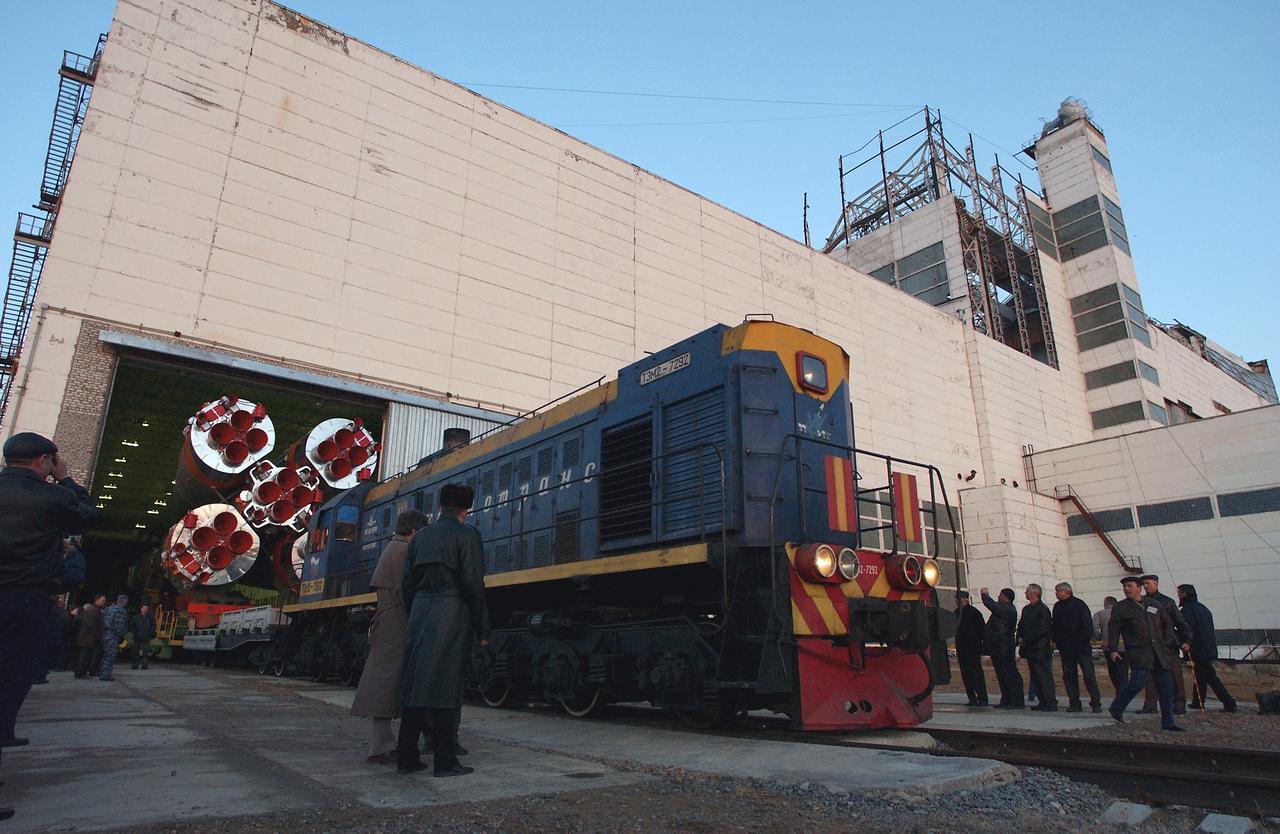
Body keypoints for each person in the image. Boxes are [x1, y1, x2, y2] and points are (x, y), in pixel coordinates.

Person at [0, 431, 98, 821]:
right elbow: (89, 516)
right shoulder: (53, 496)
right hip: (27, 600)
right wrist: (68, 480)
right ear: (44, 462)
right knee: (9, 684)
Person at [397, 484, 489, 777]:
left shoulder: (420, 537)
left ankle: (407, 757)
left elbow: (406, 586)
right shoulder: (468, 535)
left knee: (415, 687)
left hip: (421, 613)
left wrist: (418, 612)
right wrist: (482, 628)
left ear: (440, 508)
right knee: (447, 688)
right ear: (466, 511)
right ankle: (445, 760)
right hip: (452, 612)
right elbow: (474, 584)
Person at [351, 509, 428, 763]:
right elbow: (407, 591)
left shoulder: (391, 548)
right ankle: (382, 746)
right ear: (415, 532)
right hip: (397, 622)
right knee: (387, 681)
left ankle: (386, 743)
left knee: (386, 680)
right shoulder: (404, 551)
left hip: (390, 619)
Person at [1107, 575, 1182, 731]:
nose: (1126, 589)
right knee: (1138, 682)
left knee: (1166, 687)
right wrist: (1113, 649)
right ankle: (1117, 707)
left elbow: (1168, 623)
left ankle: (1168, 722)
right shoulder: (1121, 607)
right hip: (1138, 651)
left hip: (1159, 652)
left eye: (1130, 586)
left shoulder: (1154, 604)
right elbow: (1113, 629)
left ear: (1139, 587)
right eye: (1125, 586)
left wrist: (1167, 641)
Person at [1177, 584, 1237, 712]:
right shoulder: (1203, 608)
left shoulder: (1187, 610)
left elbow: (1186, 630)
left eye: (1179, 593)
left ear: (1184, 594)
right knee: (1200, 675)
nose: (1178, 595)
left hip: (1197, 648)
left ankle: (1229, 702)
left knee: (1209, 676)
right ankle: (1198, 701)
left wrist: (1183, 642)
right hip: (1208, 648)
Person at [1139, 575, 1191, 715]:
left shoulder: (1167, 602)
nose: (1146, 586)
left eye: (1148, 583)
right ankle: (1150, 705)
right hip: (1149, 645)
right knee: (1150, 677)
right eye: (1144, 584)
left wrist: (1187, 640)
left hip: (1167, 645)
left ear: (1156, 584)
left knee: (1175, 676)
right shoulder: (1142, 602)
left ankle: (1179, 704)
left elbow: (1180, 622)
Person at [1051, 582, 1101, 713]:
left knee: (1089, 675)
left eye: (1057, 591)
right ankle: (1074, 702)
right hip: (1066, 648)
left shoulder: (1079, 605)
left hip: (1081, 647)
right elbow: (1055, 625)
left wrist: (1082, 639)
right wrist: (1056, 639)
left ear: (1065, 591)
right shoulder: (1057, 607)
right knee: (1069, 676)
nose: (1056, 594)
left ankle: (1096, 702)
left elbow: (1087, 625)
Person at [980, 587, 1023, 709]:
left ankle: (1015, 700)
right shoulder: (1006, 609)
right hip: (998, 647)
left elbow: (992, 605)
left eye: (1000, 595)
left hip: (1003, 647)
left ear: (1005, 597)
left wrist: (985, 595)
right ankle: (1007, 699)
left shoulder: (1008, 609)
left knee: (1008, 673)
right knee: (1002, 674)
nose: (998, 596)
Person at [1017, 583, 1057, 711]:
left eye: (1027, 591)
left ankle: (1050, 701)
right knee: (1035, 676)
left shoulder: (1043, 609)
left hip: (1040, 648)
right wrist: (1019, 637)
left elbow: (1042, 629)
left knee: (1044, 675)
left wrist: (1027, 639)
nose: (1025, 593)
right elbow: (1022, 625)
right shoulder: (1027, 609)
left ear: (1034, 593)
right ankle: (1042, 700)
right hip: (1030, 649)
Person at [953, 591, 987, 707]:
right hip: (962, 648)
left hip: (973, 647)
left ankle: (982, 698)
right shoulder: (957, 613)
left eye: (959, 598)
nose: (957, 601)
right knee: (966, 674)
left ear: (965, 599)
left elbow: (982, 629)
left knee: (976, 673)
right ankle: (972, 698)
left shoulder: (974, 613)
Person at [1093, 596, 1126, 692]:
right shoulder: (1124, 613)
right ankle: (1122, 690)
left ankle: (1118, 690)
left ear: (1105, 604)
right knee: (1123, 671)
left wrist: (1099, 638)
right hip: (1124, 646)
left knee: (1113, 670)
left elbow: (1094, 629)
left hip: (1107, 646)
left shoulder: (1099, 614)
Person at [100, 594, 129, 681]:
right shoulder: (121, 611)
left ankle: (101, 672)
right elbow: (119, 625)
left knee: (105, 654)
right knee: (110, 655)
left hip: (106, 634)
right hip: (113, 635)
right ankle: (106, 675)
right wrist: (121, 635)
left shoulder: (108, 609)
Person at [75, 595, 105, 678]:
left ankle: (82, 672)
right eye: (102, 600)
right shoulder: (92, 610)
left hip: (90, 637)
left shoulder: (96, 610)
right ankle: (81, 673)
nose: (104, 602)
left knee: (87, 656)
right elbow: (90, 624)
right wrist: (95, 635)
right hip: (88, 638)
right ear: (97, 600)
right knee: (84, 656)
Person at [130, 604, 156, 670]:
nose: (145, 609)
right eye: (144, 608)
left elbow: (153, 626)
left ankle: (144, 665)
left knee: (145, 651)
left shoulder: (150, 618)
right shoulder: (136, 617)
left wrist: (150, 634)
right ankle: (135, 664)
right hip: (137, 637)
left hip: (146, 637)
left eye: (146, 608)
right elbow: (132, 626)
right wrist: (135, 633)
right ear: (141, 609)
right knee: (135, 651)